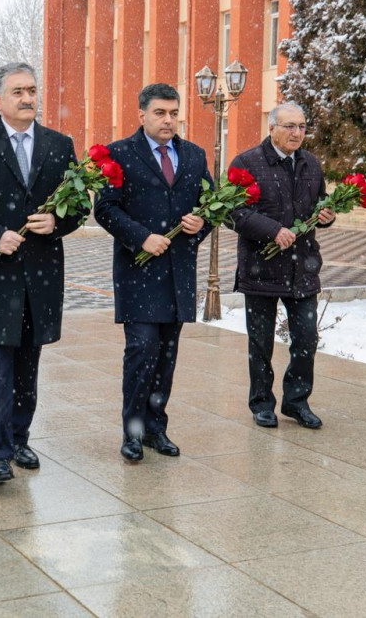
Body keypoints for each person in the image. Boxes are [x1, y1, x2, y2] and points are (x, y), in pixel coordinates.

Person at [0, 62, 86, 483]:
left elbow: (79, 204)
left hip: (40, 277)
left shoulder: (59, 145)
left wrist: (58, 222)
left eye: (32, 90)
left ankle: (20, 438)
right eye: (18, 91)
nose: (28, 98)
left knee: (27, 366)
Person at [93, 83, 212, 462]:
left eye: (174, 113)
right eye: (160, 113)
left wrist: (200, 223)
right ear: (142, 114)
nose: (168, 120)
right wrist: (142, 237)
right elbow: (106, 209)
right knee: (141, 352)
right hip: (139, 272)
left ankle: (156, 427)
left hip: (178, 274)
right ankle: (133, 431)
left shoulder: (194, 155)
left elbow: (211, 205)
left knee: (166, 356)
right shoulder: (119, 154)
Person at [228, 102, 335, 430]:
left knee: (306, 338)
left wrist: (327, 216)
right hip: (261, 268)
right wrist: (272, 230)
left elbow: (320, 202)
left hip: (302, 269)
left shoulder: (311, 163)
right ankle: (262, 403)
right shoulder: (246, 163)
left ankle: (296, 401)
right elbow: (234, 213)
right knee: (260, 342)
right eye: (289, 126)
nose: (297, 133)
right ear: (271, 127)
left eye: (302, 126)